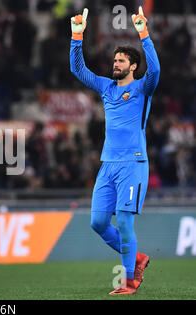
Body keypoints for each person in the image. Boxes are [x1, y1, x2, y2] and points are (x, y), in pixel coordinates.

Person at [69, 7, 160, 295]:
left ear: (134, 66)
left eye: (121, 60)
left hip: (133, 164)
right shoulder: (107, 87)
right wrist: (76, 35)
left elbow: (155, 69)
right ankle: (137, 259)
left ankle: (129, 281)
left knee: (122, 220)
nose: (116, 63)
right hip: (108, 164)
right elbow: (78, 70)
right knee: (98, 222)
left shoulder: (143, 88)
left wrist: (143, 33)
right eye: (115, 60)